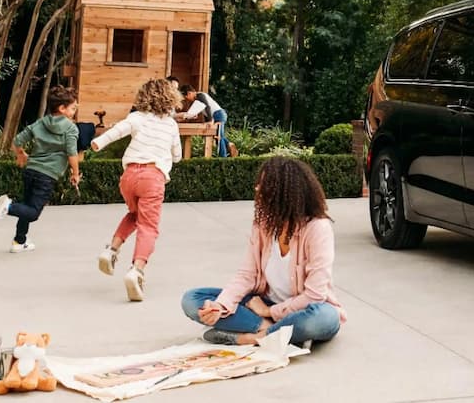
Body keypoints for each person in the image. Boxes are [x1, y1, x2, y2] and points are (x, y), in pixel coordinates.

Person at [180, 157, 346, 346]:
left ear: (287, 193)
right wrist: (220, 305)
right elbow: (247, 275)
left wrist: (269, 313)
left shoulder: (317, 228)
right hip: (261, 305)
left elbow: (315, 295)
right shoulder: (264, 225)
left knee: (323, 318)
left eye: (265, 185)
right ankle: (275, 332)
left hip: (304, 310)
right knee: (192, 300)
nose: (257, 189)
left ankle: (255, 337)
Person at [91, 78, 182, 302]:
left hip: (129, 177)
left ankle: (111, 250)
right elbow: (177, 155)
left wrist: (98, 144)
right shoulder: (171, 125)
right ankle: (137, 271)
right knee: (149, 227)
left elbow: (115, 132)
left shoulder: (136, 118)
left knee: (135, 214)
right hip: (153, 177)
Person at [0, 86, 81, 253]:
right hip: (46, 176)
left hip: (30, 171)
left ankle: (19, 241)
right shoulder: (70, 128)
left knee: (27, 205)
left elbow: (16, 141)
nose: (74, 111)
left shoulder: (41, 122)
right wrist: (75, 173)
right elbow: (72, 153)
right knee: (33, 212)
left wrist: (21, 154)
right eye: (73, 108)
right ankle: (8, 207)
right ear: (62, 108)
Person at [176, 84, 236, 158]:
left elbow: (208, 107)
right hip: (216, 115)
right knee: (219, 136)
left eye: (186, 97)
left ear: (189, 93)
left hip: (218, 114)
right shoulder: (197, 99)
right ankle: (229, 144)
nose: (187, 100)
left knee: (219, 137)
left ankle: (223, 158)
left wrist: (210, 120)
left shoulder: (200, 96)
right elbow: (204, 112)